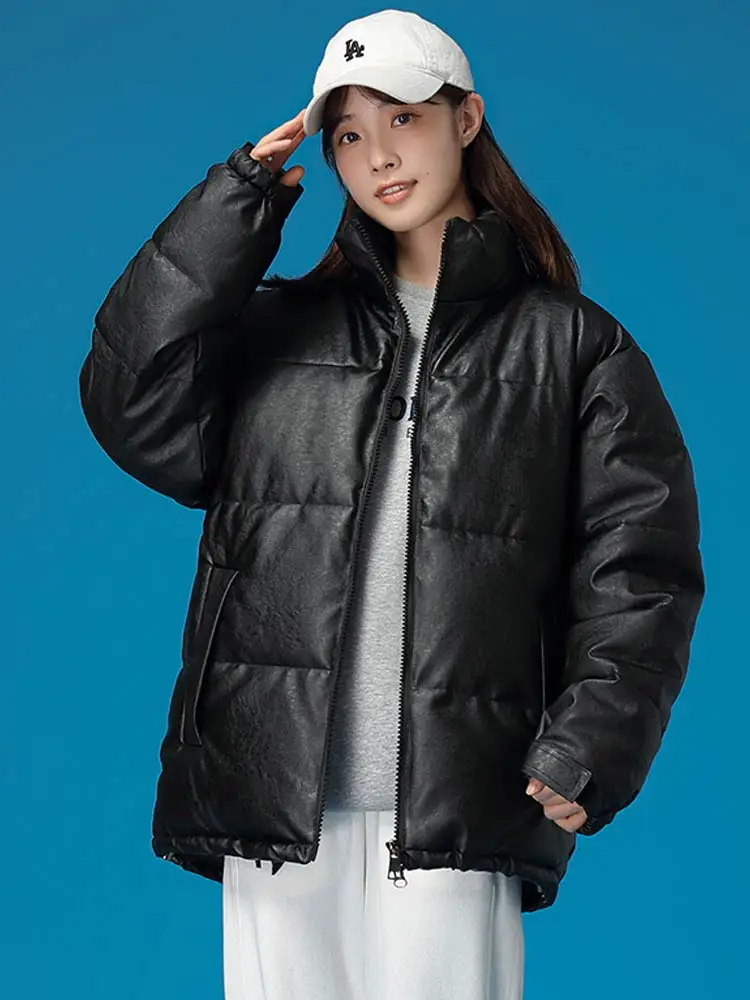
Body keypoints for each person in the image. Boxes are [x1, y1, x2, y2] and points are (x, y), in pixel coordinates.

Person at [78, 8, 705, 1000]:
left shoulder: (575, 346)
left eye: (403, 118)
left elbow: (642, 565)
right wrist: (233, 203)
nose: (378, 156)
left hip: (462, 796)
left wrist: (593, 739)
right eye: (348, 135)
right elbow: (130, 399)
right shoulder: (276, 332)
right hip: (273, 792)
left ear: (467, 119)